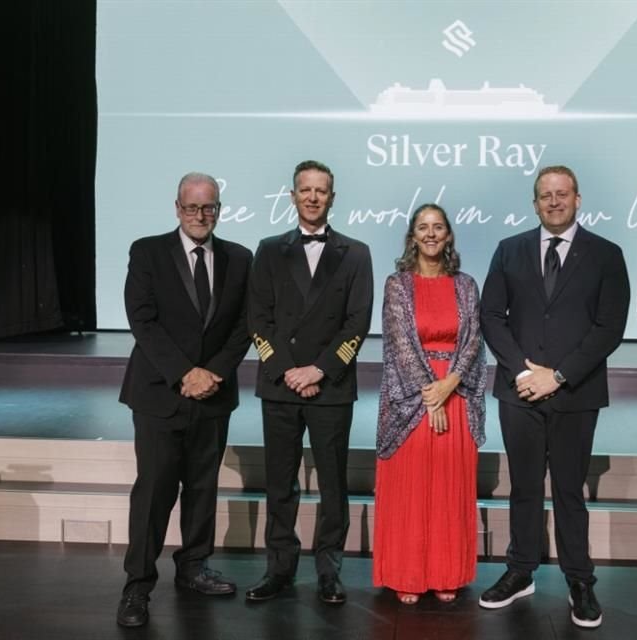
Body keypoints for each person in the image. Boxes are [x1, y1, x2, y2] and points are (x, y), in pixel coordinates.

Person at [479, 166, 630, 628]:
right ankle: (520, 571)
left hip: (576, 392)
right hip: (519, 389)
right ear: (535, 202)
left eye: (562, 194)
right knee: (523, 486)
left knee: (568, 489)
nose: (555, 201)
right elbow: (491, 315)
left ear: (578, 199)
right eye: (546, 195)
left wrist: (559, 376)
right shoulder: (510, 250)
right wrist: (526, 371)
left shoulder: (606, 254)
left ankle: (579, 580)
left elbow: (610, 327)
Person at [116, 172, 252, 627]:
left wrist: (211, 373)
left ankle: (193, 566)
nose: (200, 215)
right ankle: (137, 587)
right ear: (177, 208)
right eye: (192, 207)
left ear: (219, 209)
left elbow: (242, 328)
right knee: (153, 492)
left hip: (213, 394)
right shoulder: (148, 251)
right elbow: (142, 319)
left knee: (202, 488)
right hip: (159, 395)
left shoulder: (239, 257)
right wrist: (184, 373)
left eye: (208, 207)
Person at [245, 160, 373, 605]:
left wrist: (320, 369)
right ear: (293, 195)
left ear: (332, 198)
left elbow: (357, 322)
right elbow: (256, 318)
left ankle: (328, 571)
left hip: (330, 386)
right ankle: (279, 569)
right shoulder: (268, 249)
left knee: (333, 485)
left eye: (322, 191)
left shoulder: (355, 253)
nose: (314, 197)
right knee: (281, 483)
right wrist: (286, 370)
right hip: (280, 385)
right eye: (306, 190)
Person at [373, 204, 487, 605]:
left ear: (449, 235)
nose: (432, 233)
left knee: (447, 489)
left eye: (439, 227)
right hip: (412, 403)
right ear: (413, 236)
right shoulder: (396, 285)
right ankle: (406, 572)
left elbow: (473, 341)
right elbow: (401, 344)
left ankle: (445, 572)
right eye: (423, 227)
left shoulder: (467, 285)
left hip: (455, 399)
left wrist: (449, 385)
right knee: (413, 487)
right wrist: (430, 394)